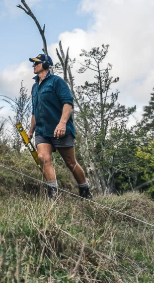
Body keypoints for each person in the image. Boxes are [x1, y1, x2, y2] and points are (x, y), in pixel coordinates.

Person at [26, 53, 92, 199]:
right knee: (43, 158)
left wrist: (62, 124)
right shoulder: (35, 87)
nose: (33, 65)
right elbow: (35, 111)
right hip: (42, 131)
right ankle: (53, 194)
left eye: (36, 63)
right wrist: (31, 131)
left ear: (45, 64)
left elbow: (68, 102)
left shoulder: (57, 82)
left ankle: (85, 189)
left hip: (59, 130)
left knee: (70, 162)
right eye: (33, 63)